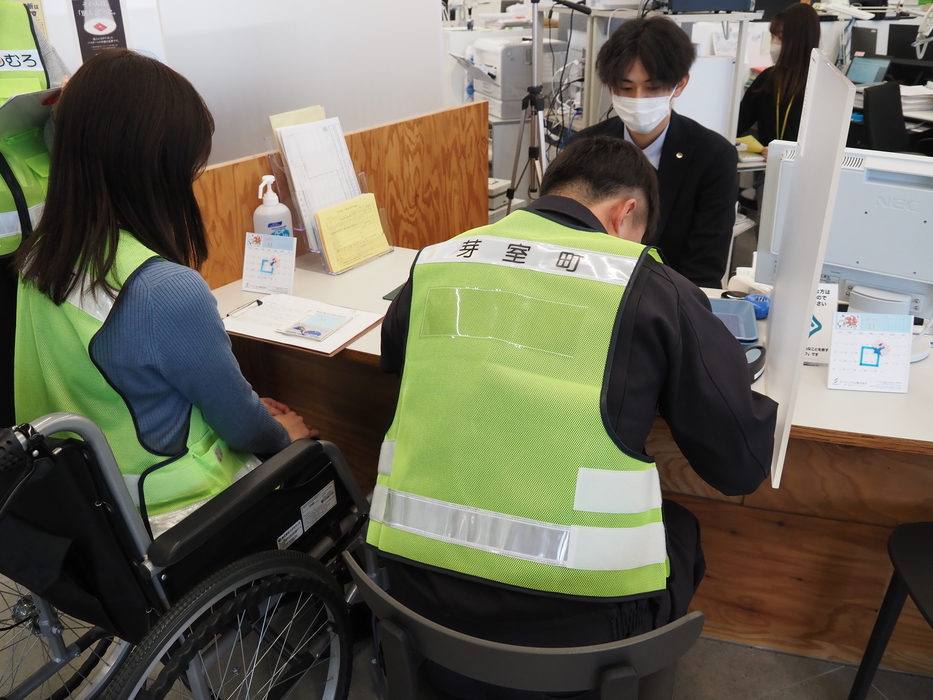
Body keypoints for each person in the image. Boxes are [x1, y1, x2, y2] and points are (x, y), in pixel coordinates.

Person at [370, 136, 777, 699]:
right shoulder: (649, 284)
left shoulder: (440, 259)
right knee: (680, 530)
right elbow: (740, 465)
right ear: (626, 213)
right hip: (580, 636)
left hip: (408, 598)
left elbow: (397, 356)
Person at [14, 49, 313, 531]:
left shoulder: (40, 257)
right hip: (178, 517)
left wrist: (250, 408)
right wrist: (283, 434)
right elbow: (242, 427)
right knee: (320, 460)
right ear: (154, 169)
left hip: (85, 515)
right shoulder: (162, 290)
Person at [570, 16, 738, 289]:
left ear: (680, 84)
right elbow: (568, 242)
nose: (638, 99)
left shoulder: (713, 156)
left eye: (653, 88)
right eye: (626, 88)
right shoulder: (583, 150)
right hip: (592, 293)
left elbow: (705, 266)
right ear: (611, 86)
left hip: (673, 299)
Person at [737, 3, 821, 160]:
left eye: (780, 38)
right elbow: (739, 121)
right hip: (767, 168)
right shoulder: (768, 78)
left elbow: (823, 147)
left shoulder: (821, 85)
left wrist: (786, 153)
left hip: (802, 170)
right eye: (772, 37)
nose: (774, 43)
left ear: (800, 41)